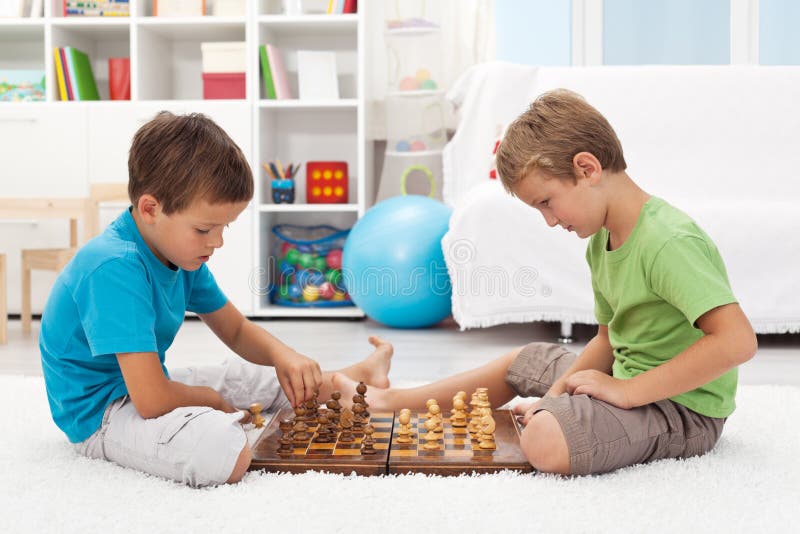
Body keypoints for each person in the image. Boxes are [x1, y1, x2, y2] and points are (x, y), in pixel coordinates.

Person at [331, 89, 758, 476]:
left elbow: (737, 342)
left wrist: (625, 392)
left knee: (546, 440)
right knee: (527, 360)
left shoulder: (667, 240)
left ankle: (572, 419)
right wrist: (556, 394)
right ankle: (390, 403)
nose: (551, 221)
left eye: (547, 203)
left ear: (586, 168)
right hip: (628, 376)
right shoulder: (602, 241)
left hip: (680, 408)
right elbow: (610, 339)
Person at [39, 112, 392, 487]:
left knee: (263, 379)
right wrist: (209, 401)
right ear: (150, 208)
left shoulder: (178, 253)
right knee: (221, 449)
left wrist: (282, 356)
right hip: (102, 415)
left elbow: (236, 329)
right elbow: (152, 400)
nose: (217, 242)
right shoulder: (113, 268)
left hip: (144, 386)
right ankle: (341, 381)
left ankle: (355, 375)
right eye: (205, 229)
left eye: (225, 228)